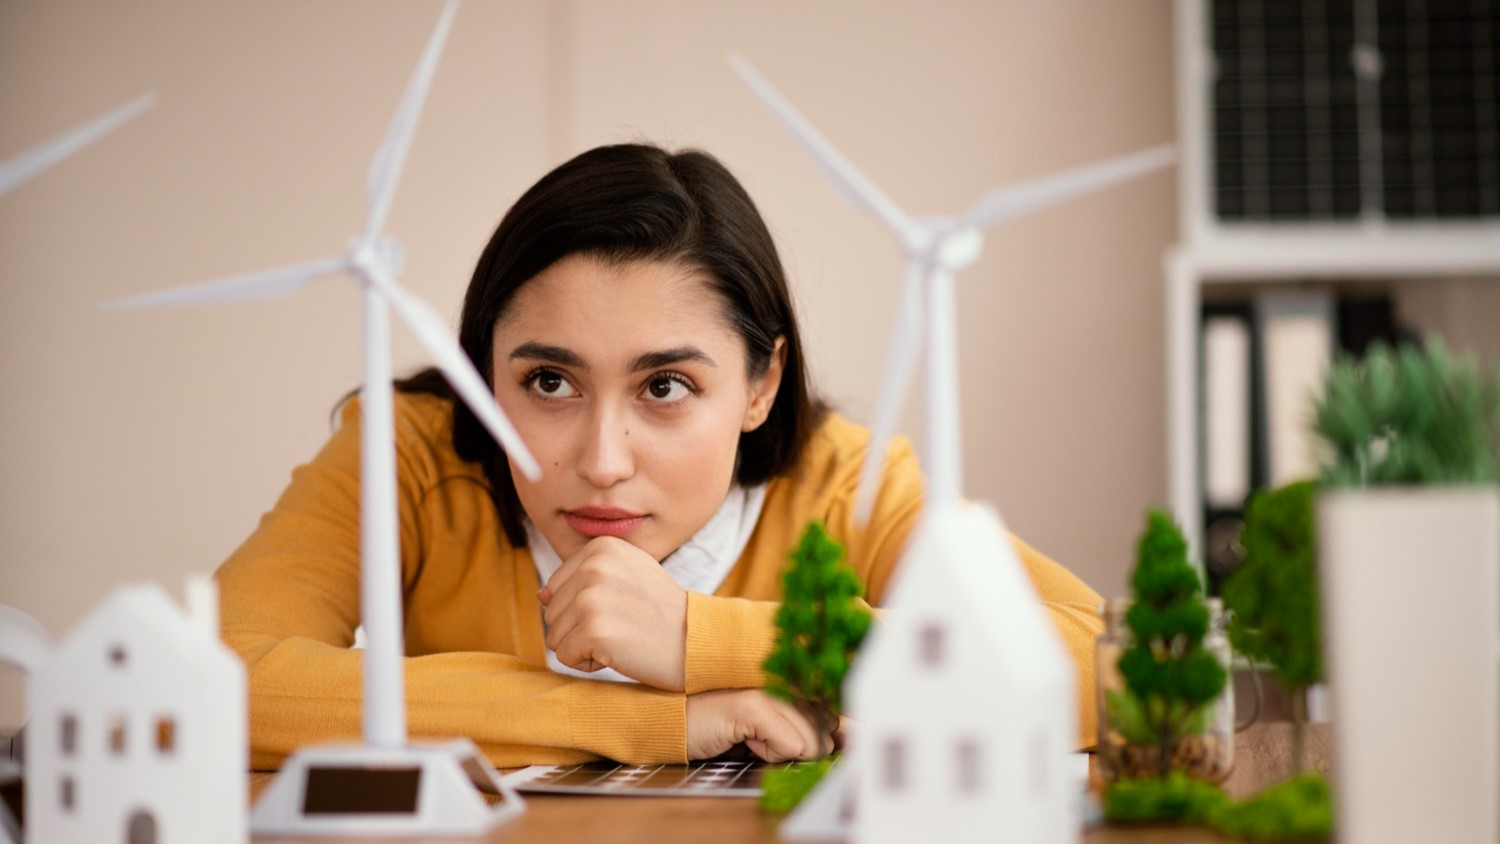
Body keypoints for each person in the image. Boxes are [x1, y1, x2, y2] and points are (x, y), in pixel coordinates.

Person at [216, 143, 1104, 771]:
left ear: (761, 384)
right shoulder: (407, 450)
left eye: (666, 388)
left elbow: (1104, 662)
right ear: (483, 369)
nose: (602, 462)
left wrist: (700, 640)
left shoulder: (849, 485)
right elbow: (219, 681)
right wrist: (658, 720)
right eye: (550, 384)